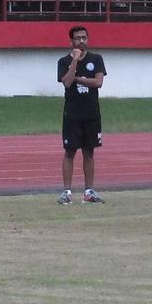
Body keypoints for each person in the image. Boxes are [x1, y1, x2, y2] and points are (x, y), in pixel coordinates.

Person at [56, 25, 106, 204]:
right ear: (71, 41)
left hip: (91, 113)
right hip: (72, 114)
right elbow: (67, 82)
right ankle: (67, 192)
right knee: (69, 152)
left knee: (89, 152)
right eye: (78, 38)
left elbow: (98, 82)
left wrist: (79, 79)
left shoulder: (96, 59)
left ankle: (89, 191)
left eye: (84, 37)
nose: (81, 41)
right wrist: (75, 62)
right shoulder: (63, 62)